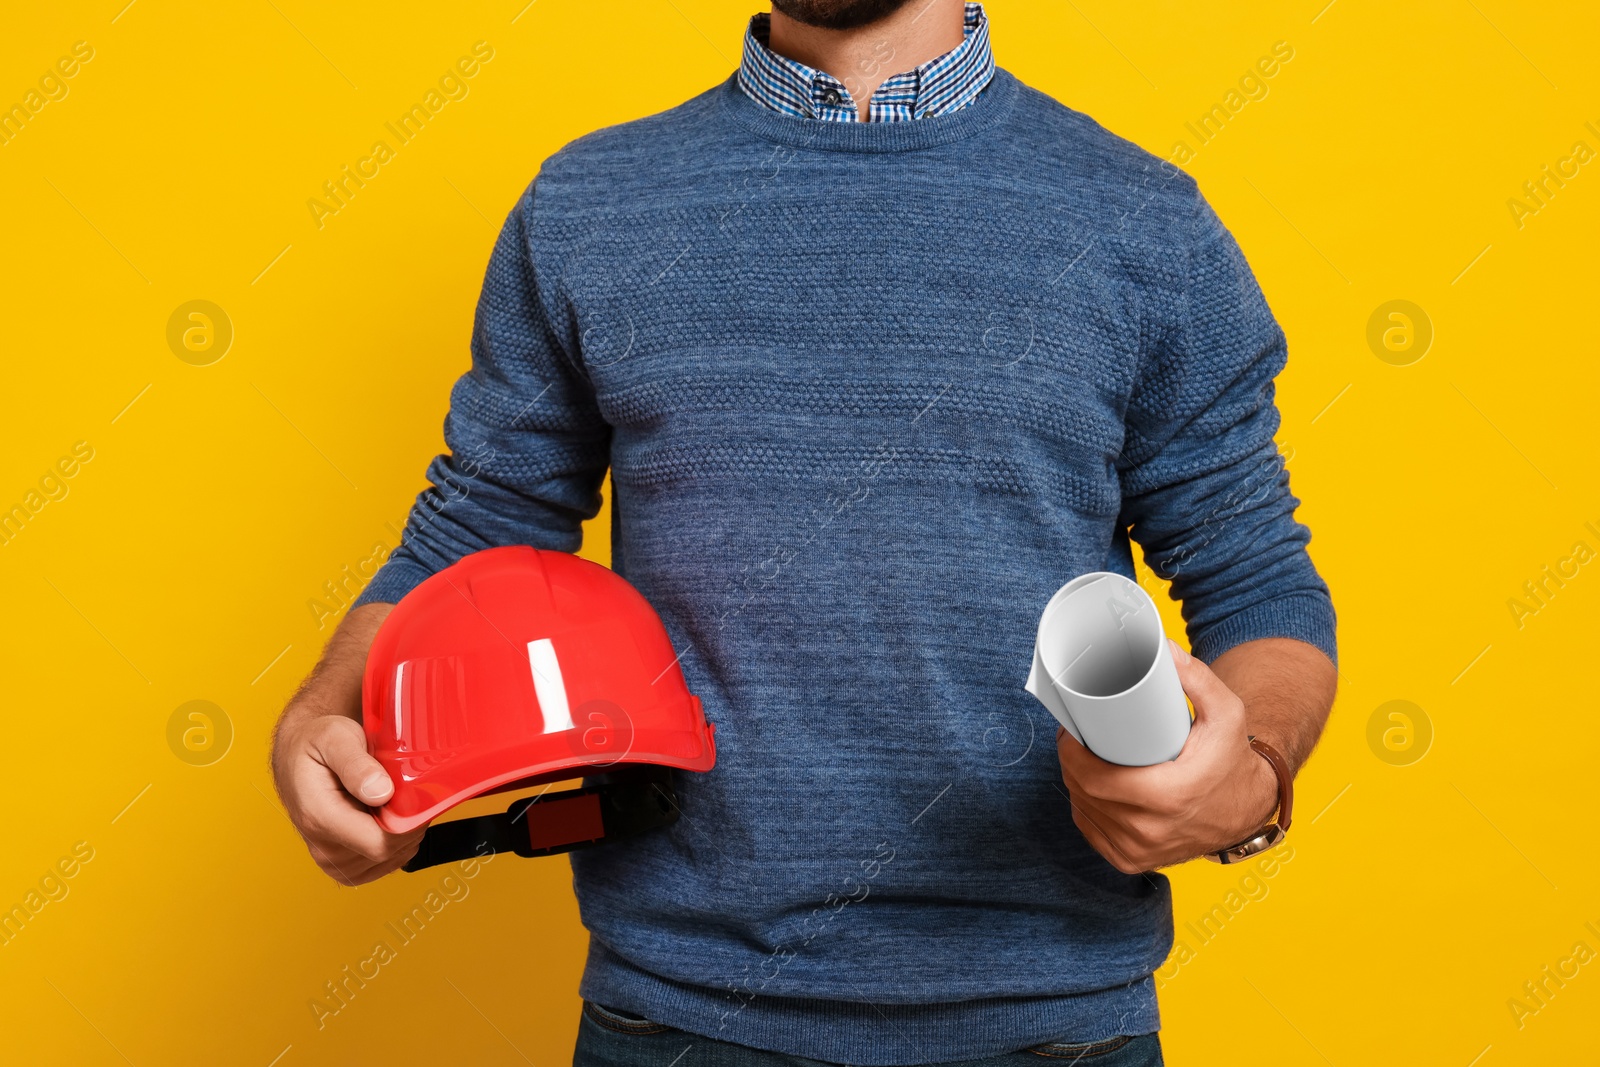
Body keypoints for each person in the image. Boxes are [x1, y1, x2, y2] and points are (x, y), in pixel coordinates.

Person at [269, 3, 1338, 1064]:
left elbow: (1256, 582)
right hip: (677, 1019)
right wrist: (323, 713)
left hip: (1055, 1022)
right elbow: (481, 522)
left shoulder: (1142, 220)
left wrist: (1248, 778)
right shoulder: (590, 204)